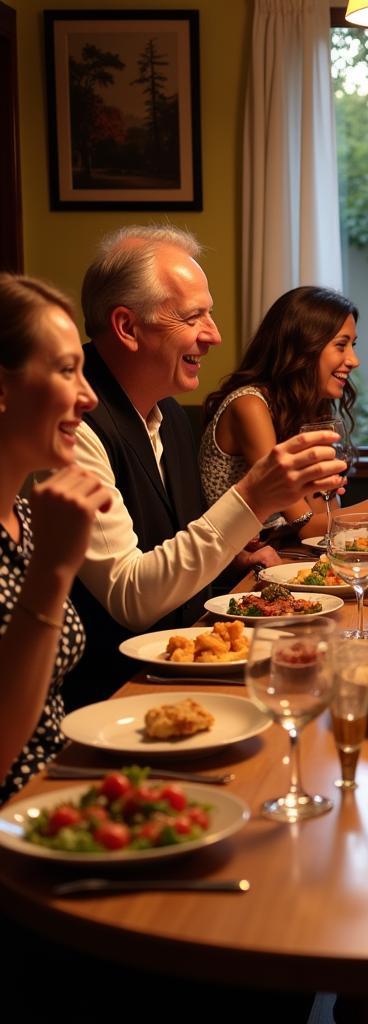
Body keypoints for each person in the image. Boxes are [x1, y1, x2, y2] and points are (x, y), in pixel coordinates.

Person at [65, 226, 346, 710]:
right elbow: (131, 598)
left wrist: (232, 557)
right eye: (194, 316)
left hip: (192, 670)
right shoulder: (73, 423)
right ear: (127, 327)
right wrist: (254, 499)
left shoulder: (169, 411)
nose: (214, 335)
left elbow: (174, 545)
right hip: (118, 701)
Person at [200, 286, 368, 532]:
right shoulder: (250, 405)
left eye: (353, 345)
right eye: (341, 345)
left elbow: (323, 521)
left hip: (284, 557)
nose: (354, 360)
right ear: (304, 347)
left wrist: (326, 491)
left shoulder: (305, 409)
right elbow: (304, 525)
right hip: (236, 567)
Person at [0, 275, 112, 801]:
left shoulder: (26, 516)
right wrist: (52, 570)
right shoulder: (44, 537)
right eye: (68, 371)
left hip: (60, 796)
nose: (88, 397)